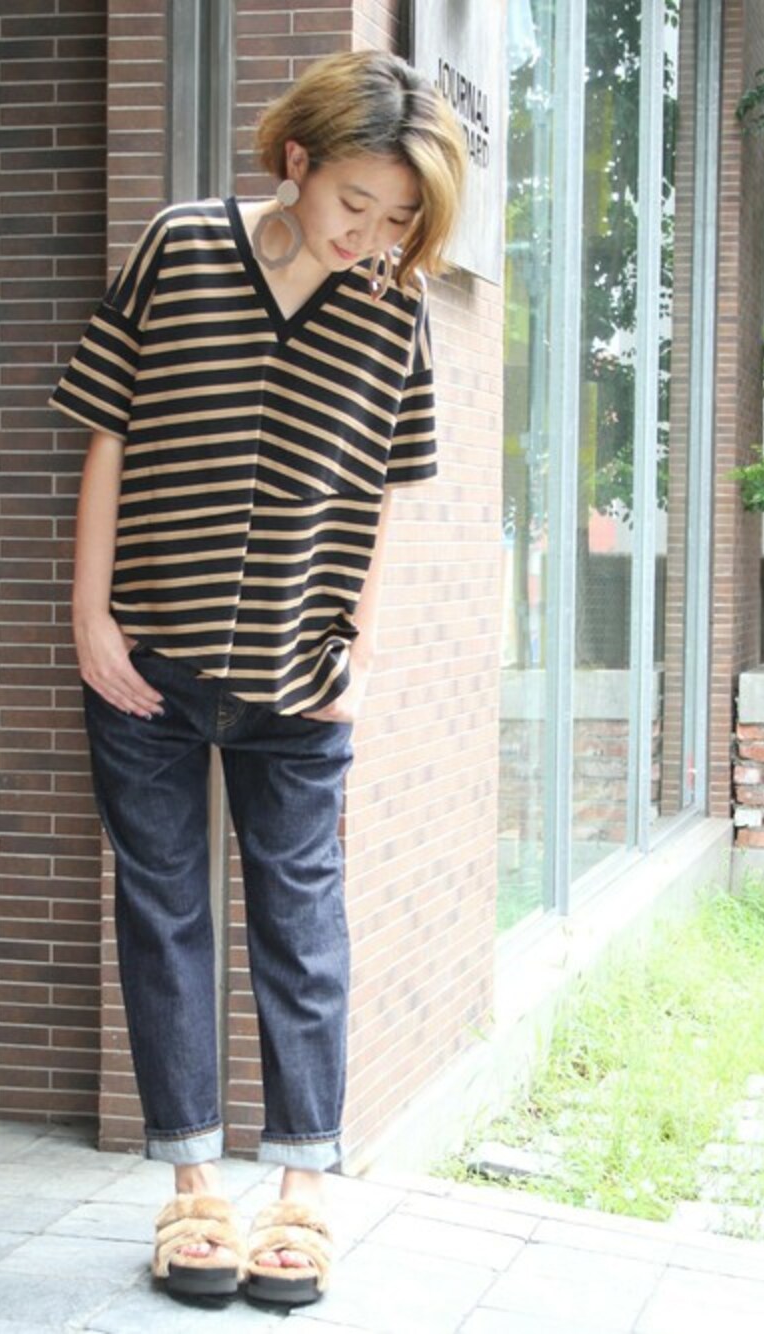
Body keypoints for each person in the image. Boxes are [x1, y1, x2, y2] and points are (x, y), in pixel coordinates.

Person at [47, 48, 466, 1306]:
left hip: (299, 675)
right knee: (162, 913)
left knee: (302, 923)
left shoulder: (394, 306)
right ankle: (192, 1188)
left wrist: (359, 647)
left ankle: (301, 1192)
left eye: (397, 217)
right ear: (296, 160)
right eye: (354, 202)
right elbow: (109, 430)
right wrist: (89, 616)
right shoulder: (180, 247)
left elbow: (385, 487)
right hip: (147, 662)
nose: (369, 235)